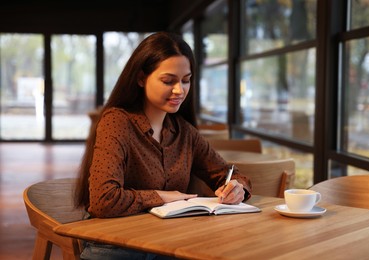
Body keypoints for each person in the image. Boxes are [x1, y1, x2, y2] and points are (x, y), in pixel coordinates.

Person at [74, 31, 252, 260]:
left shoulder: (185, 132)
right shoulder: (117, 121)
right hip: (117, 245)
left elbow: (228, 173)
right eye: (168, 81)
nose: (180, 90)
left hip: (170, 242)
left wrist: (237, 187)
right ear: (140, 78)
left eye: (186, 80)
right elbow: (103, 201)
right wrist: (163, 196)